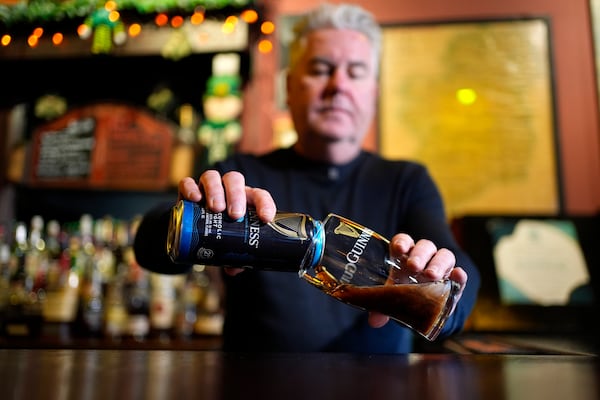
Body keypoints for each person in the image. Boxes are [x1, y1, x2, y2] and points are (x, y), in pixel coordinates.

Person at [134, 2, 480, 353]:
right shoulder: (240, 174)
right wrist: (191, 214)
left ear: (372, 93)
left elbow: (459, 274)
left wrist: (439, 290)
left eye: (356, 72)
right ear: (290, 86)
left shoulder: (407, 180)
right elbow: (149, 247)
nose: (338, 85)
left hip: (378, 388)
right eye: (320, 68)